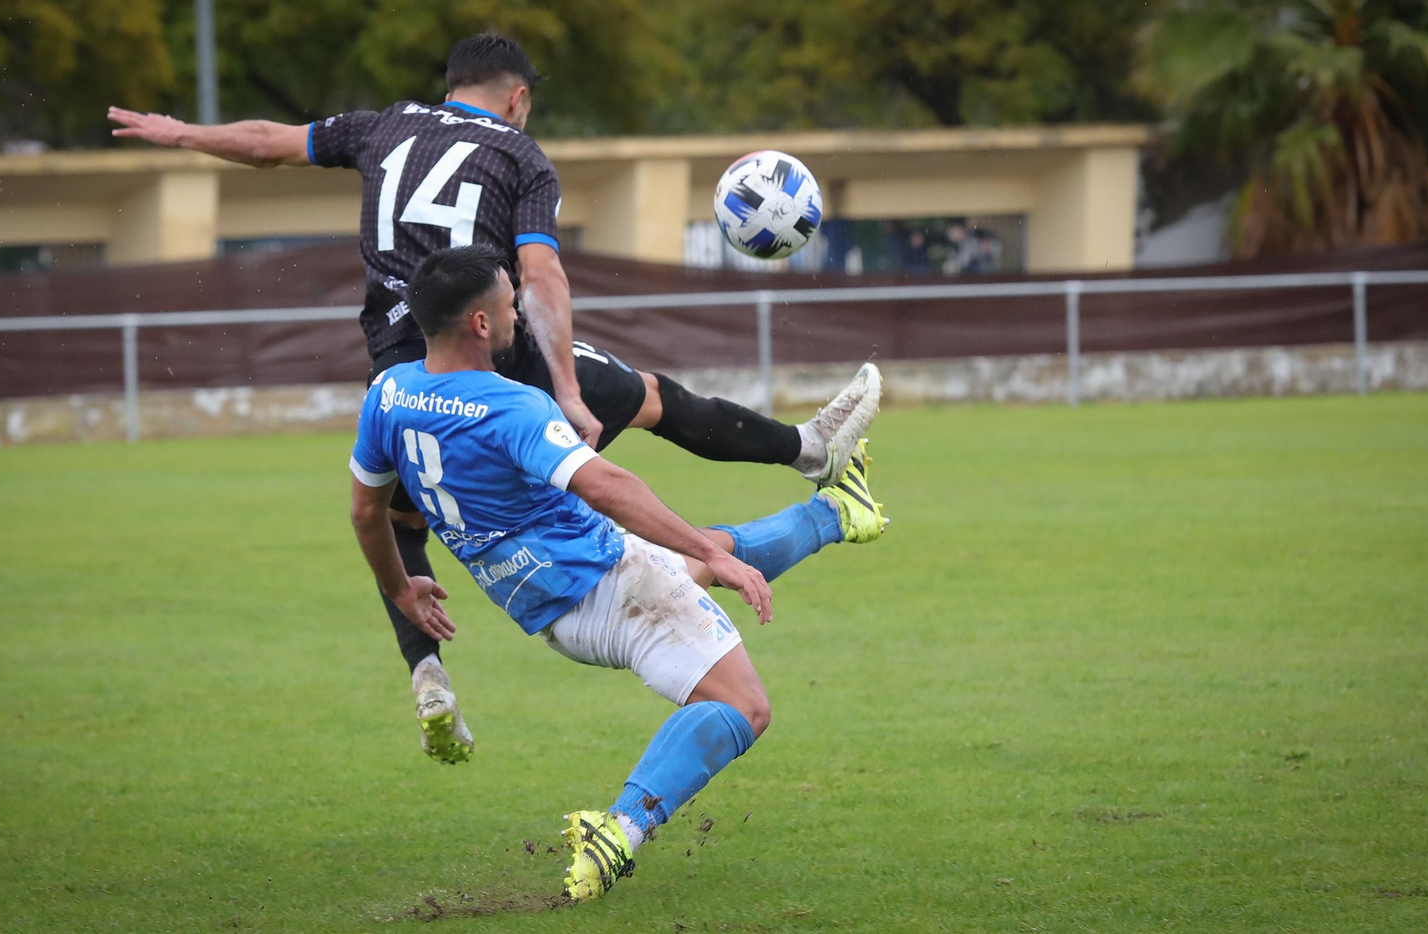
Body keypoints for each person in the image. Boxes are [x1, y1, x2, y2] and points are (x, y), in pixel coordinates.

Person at [108, 34, 881, 764]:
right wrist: (569, 390)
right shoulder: (519, 156)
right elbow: (541, 278)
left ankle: (428, 676)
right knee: (649, 400)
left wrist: (182, 134)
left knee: (395, 516)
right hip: (490, 359)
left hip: (401, 378)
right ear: (515, 98)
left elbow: (270, 144)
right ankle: (808, 450)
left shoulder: (382, 127)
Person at [348, 245, 887, 901]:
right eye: (508, 299)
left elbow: (367, 512)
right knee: (742, 705)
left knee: (692, 558)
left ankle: (836, 512)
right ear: (481, 325)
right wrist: (715, 557)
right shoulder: (512, 406)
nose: (519, 305)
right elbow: (604, 484)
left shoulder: (388, 393)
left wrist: (400, 589)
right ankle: (621, 830)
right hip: (610, 581)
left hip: (549, 614)